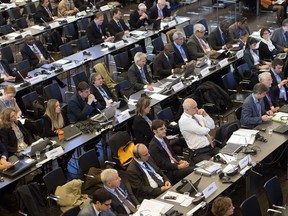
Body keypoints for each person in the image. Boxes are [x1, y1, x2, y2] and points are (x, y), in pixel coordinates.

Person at [149, 119, 193, 184]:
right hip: (169, 172)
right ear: (155, 131)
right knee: (192, 170)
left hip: (174, 165)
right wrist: (178, 166)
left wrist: (180, 161)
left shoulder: (164, 138)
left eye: (164, 128)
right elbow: (162, 165)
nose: (164, 131)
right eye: (161, 129)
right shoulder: (153, 146)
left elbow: (172, 154)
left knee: (193, 165)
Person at [178, 98, 218, 163]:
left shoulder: (196, 115)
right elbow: (202, 132)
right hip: (199, 152)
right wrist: (206, 128)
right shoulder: (184, 121)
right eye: (194, 107)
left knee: (225, 156)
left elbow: (212, 126)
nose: (197, 109)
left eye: (197, 106)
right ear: (187, 109)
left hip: (210, 147)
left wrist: (205, 115)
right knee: (212, 165)